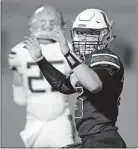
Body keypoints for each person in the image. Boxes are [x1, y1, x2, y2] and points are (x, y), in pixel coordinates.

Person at [24, 8, 126, 148]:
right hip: (92, 140)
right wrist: (41, 60)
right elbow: (64, 85)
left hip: (104, 141)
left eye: (89, 33)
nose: (83, 37)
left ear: (104, 35)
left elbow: (94, 85)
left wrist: (68, 53)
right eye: (80, 33)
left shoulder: (105, 57)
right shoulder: (87, 63)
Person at [8, 5, 75, 148]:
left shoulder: (18, 51)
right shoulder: (68, 48)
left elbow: (18, 98)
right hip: (60, 121)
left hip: (34, 121)